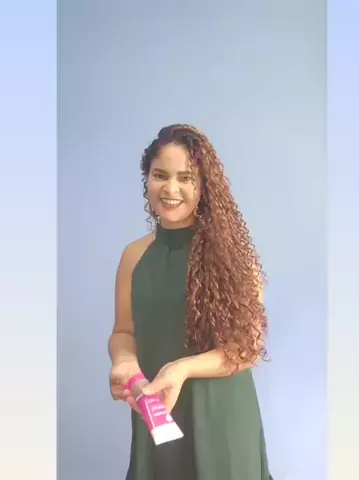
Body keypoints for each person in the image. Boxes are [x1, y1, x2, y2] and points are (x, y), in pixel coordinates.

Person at [108, 124, 272, 480]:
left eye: (186, 178)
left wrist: (182, 369)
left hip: (222, 420)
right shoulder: (134, 256)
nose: (171, 189)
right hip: (158, 416)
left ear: (205, 185)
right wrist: (125, 362)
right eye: (160, 175)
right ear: (147, 178)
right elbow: (123, 331)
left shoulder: (234, 257)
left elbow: (249, 347)